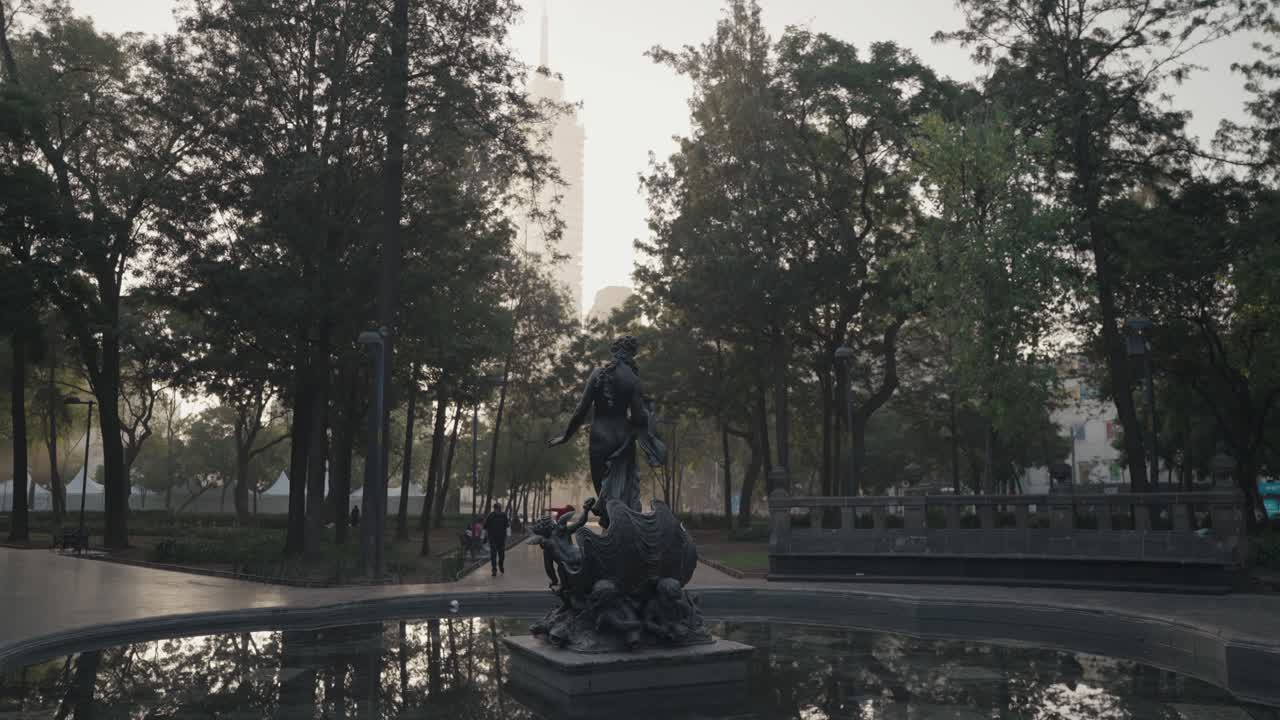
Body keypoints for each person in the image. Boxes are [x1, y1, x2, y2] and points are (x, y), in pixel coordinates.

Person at [547, 335, 666, 527]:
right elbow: (637, 417)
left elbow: (581, 410)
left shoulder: (597, 374)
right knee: (622, 488)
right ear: (632, 355)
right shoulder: (633, 381)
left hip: (600, 437)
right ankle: (621, 527)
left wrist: (566, 436)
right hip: (622, 438)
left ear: (615, 351)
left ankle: (611, 525)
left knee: (603, 489)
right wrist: (648, 413)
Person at [484, 502, 510, 576]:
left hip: (501, 538)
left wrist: (508, 535)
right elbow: (485, 526)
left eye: (499, 508)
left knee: (501, 555)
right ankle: (494, 570)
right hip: (493, 539)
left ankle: (500, 564)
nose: (498, 510)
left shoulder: (504, 515)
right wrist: (483, 537)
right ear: (495, 508)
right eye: (497, 508)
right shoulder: (490, 516)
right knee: (493, 554)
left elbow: (507, 526)